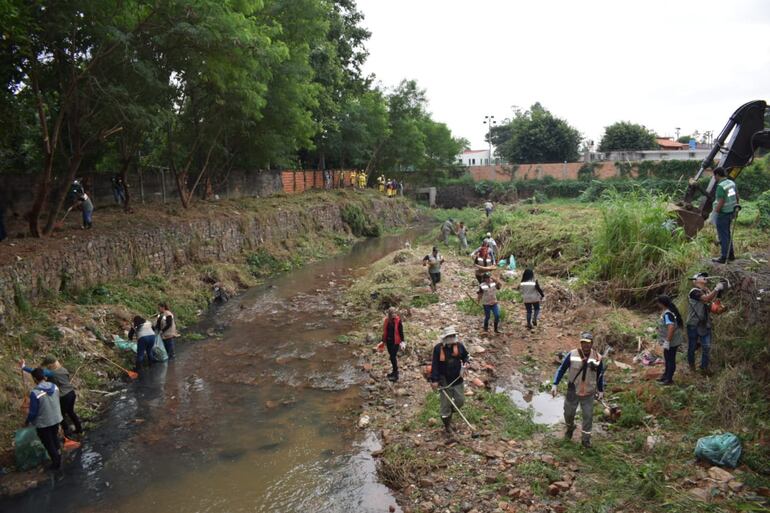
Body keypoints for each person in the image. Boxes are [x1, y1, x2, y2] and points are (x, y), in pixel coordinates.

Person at [551, 332, 605, 448]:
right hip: (572, 391)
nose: (585, 345)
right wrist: (555, 384)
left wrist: (601, 390)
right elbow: (561, 369)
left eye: (588, 343)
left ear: (591, 344)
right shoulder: (572, 354)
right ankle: (570, 428)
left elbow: (600, 375)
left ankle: (585, 440)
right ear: (580, 343)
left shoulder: (597, 358)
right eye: (583, 343)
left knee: (588, 416)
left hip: (588, 393)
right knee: (568, 413)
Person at [21, 356, 82, 437]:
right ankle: (79, 429)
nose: (46, 367)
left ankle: (67, 434)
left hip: (64, 396)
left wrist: (24, 367)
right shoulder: (63, 369)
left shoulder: (52, 373)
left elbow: (35, 372)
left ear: (51, 365)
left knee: (60, 415)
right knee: (71, 412)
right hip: (71, 393)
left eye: (47, 365)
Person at [430, 326, 469, 437]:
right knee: (445, 406)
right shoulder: (438, 348)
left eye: (453, 336)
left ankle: (450, 413)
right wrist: (435, 380)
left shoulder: (459, 346)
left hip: (457, 379)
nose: (452, 338)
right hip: (444, 381)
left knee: (460, 401)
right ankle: (447, 426)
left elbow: (466, 356)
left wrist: (466, 363)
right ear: (445, 337)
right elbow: (435, 365)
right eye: (450, 336)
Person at [24, 368, 64, 470]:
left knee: (48, 443)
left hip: (44, 423)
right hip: (56, 419)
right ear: (44, 376)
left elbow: (33, 412)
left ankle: (56, 464)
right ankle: (59, 456)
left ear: (34, 379)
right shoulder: (54, 387)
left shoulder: (35, 393)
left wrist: (28, 421)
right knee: (54, 438)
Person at [686, 272, 723, 374]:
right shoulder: (694, 292)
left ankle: (704, 368)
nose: (704, 277)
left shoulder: (706, 291)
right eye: (701, 276)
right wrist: (716, 289)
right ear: (695, 281)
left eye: (704, 276)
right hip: (693, 324)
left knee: (706, 346)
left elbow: (713, 305)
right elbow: (706, 299)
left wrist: (719, 291)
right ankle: (692, 367)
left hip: (704, 324)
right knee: (692, 347)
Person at [711, 168, 739, 263]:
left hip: (723, 213)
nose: (714, 178)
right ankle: (730, 255)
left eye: (714, 176)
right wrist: (736, 209)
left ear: (718, 175)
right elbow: (736, 196)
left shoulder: (720, 186)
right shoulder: (731, 183)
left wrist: (716, 212)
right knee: (727, 233)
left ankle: (723, 257)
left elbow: (721, 201)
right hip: (731, 211)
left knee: (723, 235)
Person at [656, 295, 684, 385]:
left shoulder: (667, 314)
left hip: (672, 341)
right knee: (667, 358)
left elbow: (671, 327)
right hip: (671, 340)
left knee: (670, 359)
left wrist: (667, 341)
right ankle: (665, 376)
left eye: (658, 303)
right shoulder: (668, 312)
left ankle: (669, 379)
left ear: (661, 304)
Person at [381, 307, 406, 382]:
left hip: (396, 341)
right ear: (389, 314)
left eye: (395, 313)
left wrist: (403, 342)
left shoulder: (398, 321)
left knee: (392, 356)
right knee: (391, 356)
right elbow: (385, 331)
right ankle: (393, 372)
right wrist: (382, 340)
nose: (394, 314)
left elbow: (401, 331)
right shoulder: (386, 321)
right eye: (393, 313)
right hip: (389, 341)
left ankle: (396, 374)